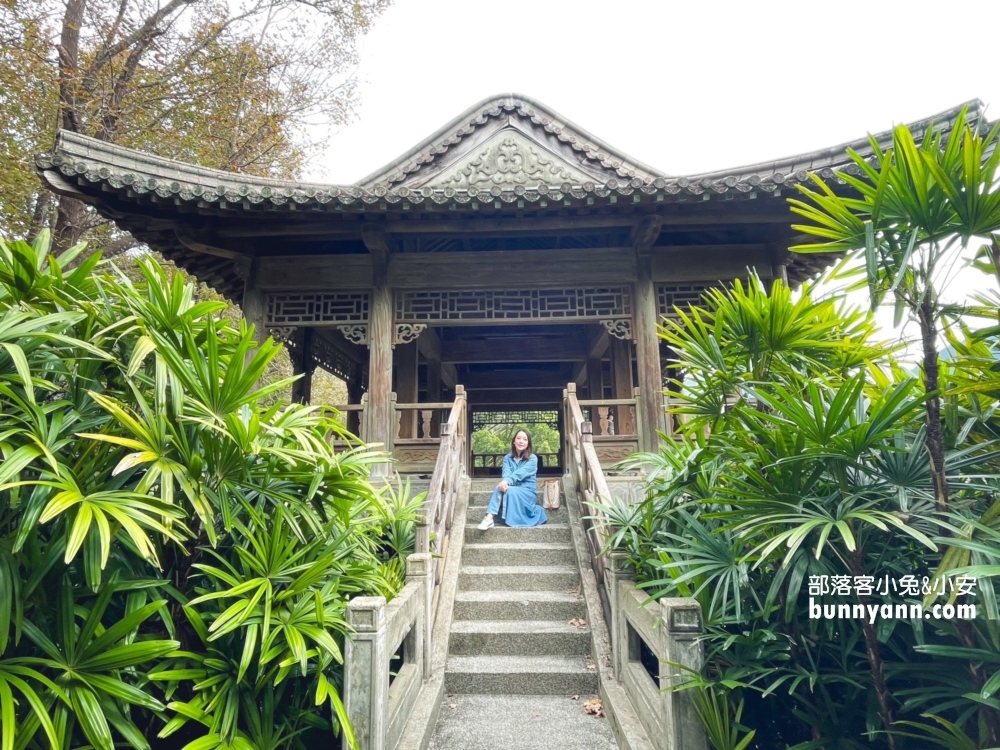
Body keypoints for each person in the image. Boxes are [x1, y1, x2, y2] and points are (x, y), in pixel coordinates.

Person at [478, 429, 547, 530]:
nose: (521, 441)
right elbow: (506, 473)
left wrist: (506, 481)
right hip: (511, 489)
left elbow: (521, 473)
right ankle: (489, 518)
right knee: (500, 488)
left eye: (524, 439)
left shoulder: (532, 459)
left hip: (527, 492)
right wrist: (505, 481)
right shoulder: (507, 458)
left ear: (528, 443)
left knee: (507, 489)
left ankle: (489, 518)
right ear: (514, 441)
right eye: (518, 438)